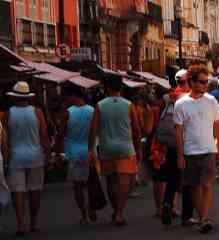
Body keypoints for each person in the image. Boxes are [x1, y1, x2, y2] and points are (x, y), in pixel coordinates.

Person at [174, 64, 219, 234]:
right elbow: (178, 131)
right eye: (202, 82)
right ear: (192, 82)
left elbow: (217, 125)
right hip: (189, 151)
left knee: (207, 184)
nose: (205, 85)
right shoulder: (181, 104)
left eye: (206, 82)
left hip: (208, 149)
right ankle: (203, 217)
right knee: (194, 186)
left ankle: (204, 218)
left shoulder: (211, 101)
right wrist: (180, 155)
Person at [89, 75, 142, 226]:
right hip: (126, 147)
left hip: (106, 147)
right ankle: (119, 213)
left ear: (106, 88)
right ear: (121, 87)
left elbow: (93, 130)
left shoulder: (99, 105)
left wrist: (91, 150)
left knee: (111, 181)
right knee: (125, 182)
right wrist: (138, 148)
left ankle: (115, 210)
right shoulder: (129, 105)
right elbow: (136, 129)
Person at [2, 81, 50, 237]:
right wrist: (48, 154)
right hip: (35, 155)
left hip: (16, 157)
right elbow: (44, 135)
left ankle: (21, 224)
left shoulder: (8, 113)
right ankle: (34, 223)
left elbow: (5, 139)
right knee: (35, 190)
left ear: (14, 97)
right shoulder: (37, 112)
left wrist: (6, 158)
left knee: (18, 191)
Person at [157, 70, 196, 226]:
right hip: (188, 141)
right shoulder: (189, 98)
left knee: (172, 176)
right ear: (189, 81)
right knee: (187, 179)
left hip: (171, 142)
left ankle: (167, 203)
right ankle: (186, 216)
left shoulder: (167, 97)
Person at [59, 87, 97, 225]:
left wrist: (58, 152)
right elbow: (96, 131)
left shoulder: (68, 112)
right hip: (89, 150)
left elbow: (61, 133)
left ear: (74, 96)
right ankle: (91, 209)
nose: (68, 99)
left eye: (68, 96)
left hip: (74, 152)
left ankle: (84, 214)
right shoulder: (92, 111)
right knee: (90, 183)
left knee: (78, 186)